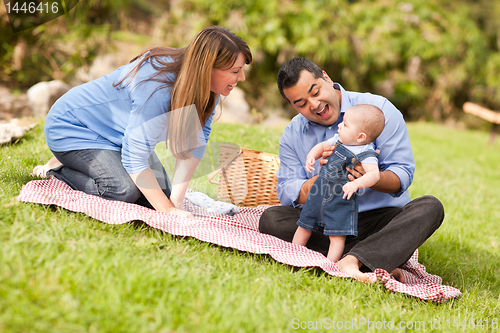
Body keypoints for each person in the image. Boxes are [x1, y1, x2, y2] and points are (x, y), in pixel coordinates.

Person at [31, 26, 252, 219]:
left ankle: (90, 163)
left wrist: (174, 203)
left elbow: (193, 148)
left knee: (158, 196)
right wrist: (167, 211)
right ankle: (58, 169)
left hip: (118, 138)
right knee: (121, 191)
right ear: (207, 68)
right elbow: (134, 156)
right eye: (235, 71)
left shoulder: (208, 92)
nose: (241, 78)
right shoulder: (157, 85)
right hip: (74, 127)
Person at [259, 57, 444, 282]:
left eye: (315, 92)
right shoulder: (293, 133)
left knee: (430, 208)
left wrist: (368, 177)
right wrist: (323, 179)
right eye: (301, 103)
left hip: (379, 220)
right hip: (327, 218)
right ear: (292, 105)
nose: (314, 105)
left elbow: (402, 173)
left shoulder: (379, 111)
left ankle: (351, 259)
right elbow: (287, 192)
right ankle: (370, 258)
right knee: (271, 219)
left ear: (326, 78)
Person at [293, 104, 384, 263]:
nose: (340, 126)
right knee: (304, 224)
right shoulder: (338, 140)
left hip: (340, 201)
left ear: (360, 137)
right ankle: (292, 253)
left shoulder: (366, 153)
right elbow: (322, 146)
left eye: (346, 125)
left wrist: (356, 184)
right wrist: (311, 156)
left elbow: (374, 175)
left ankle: (329, 265)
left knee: (337, 237)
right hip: (318, 193)